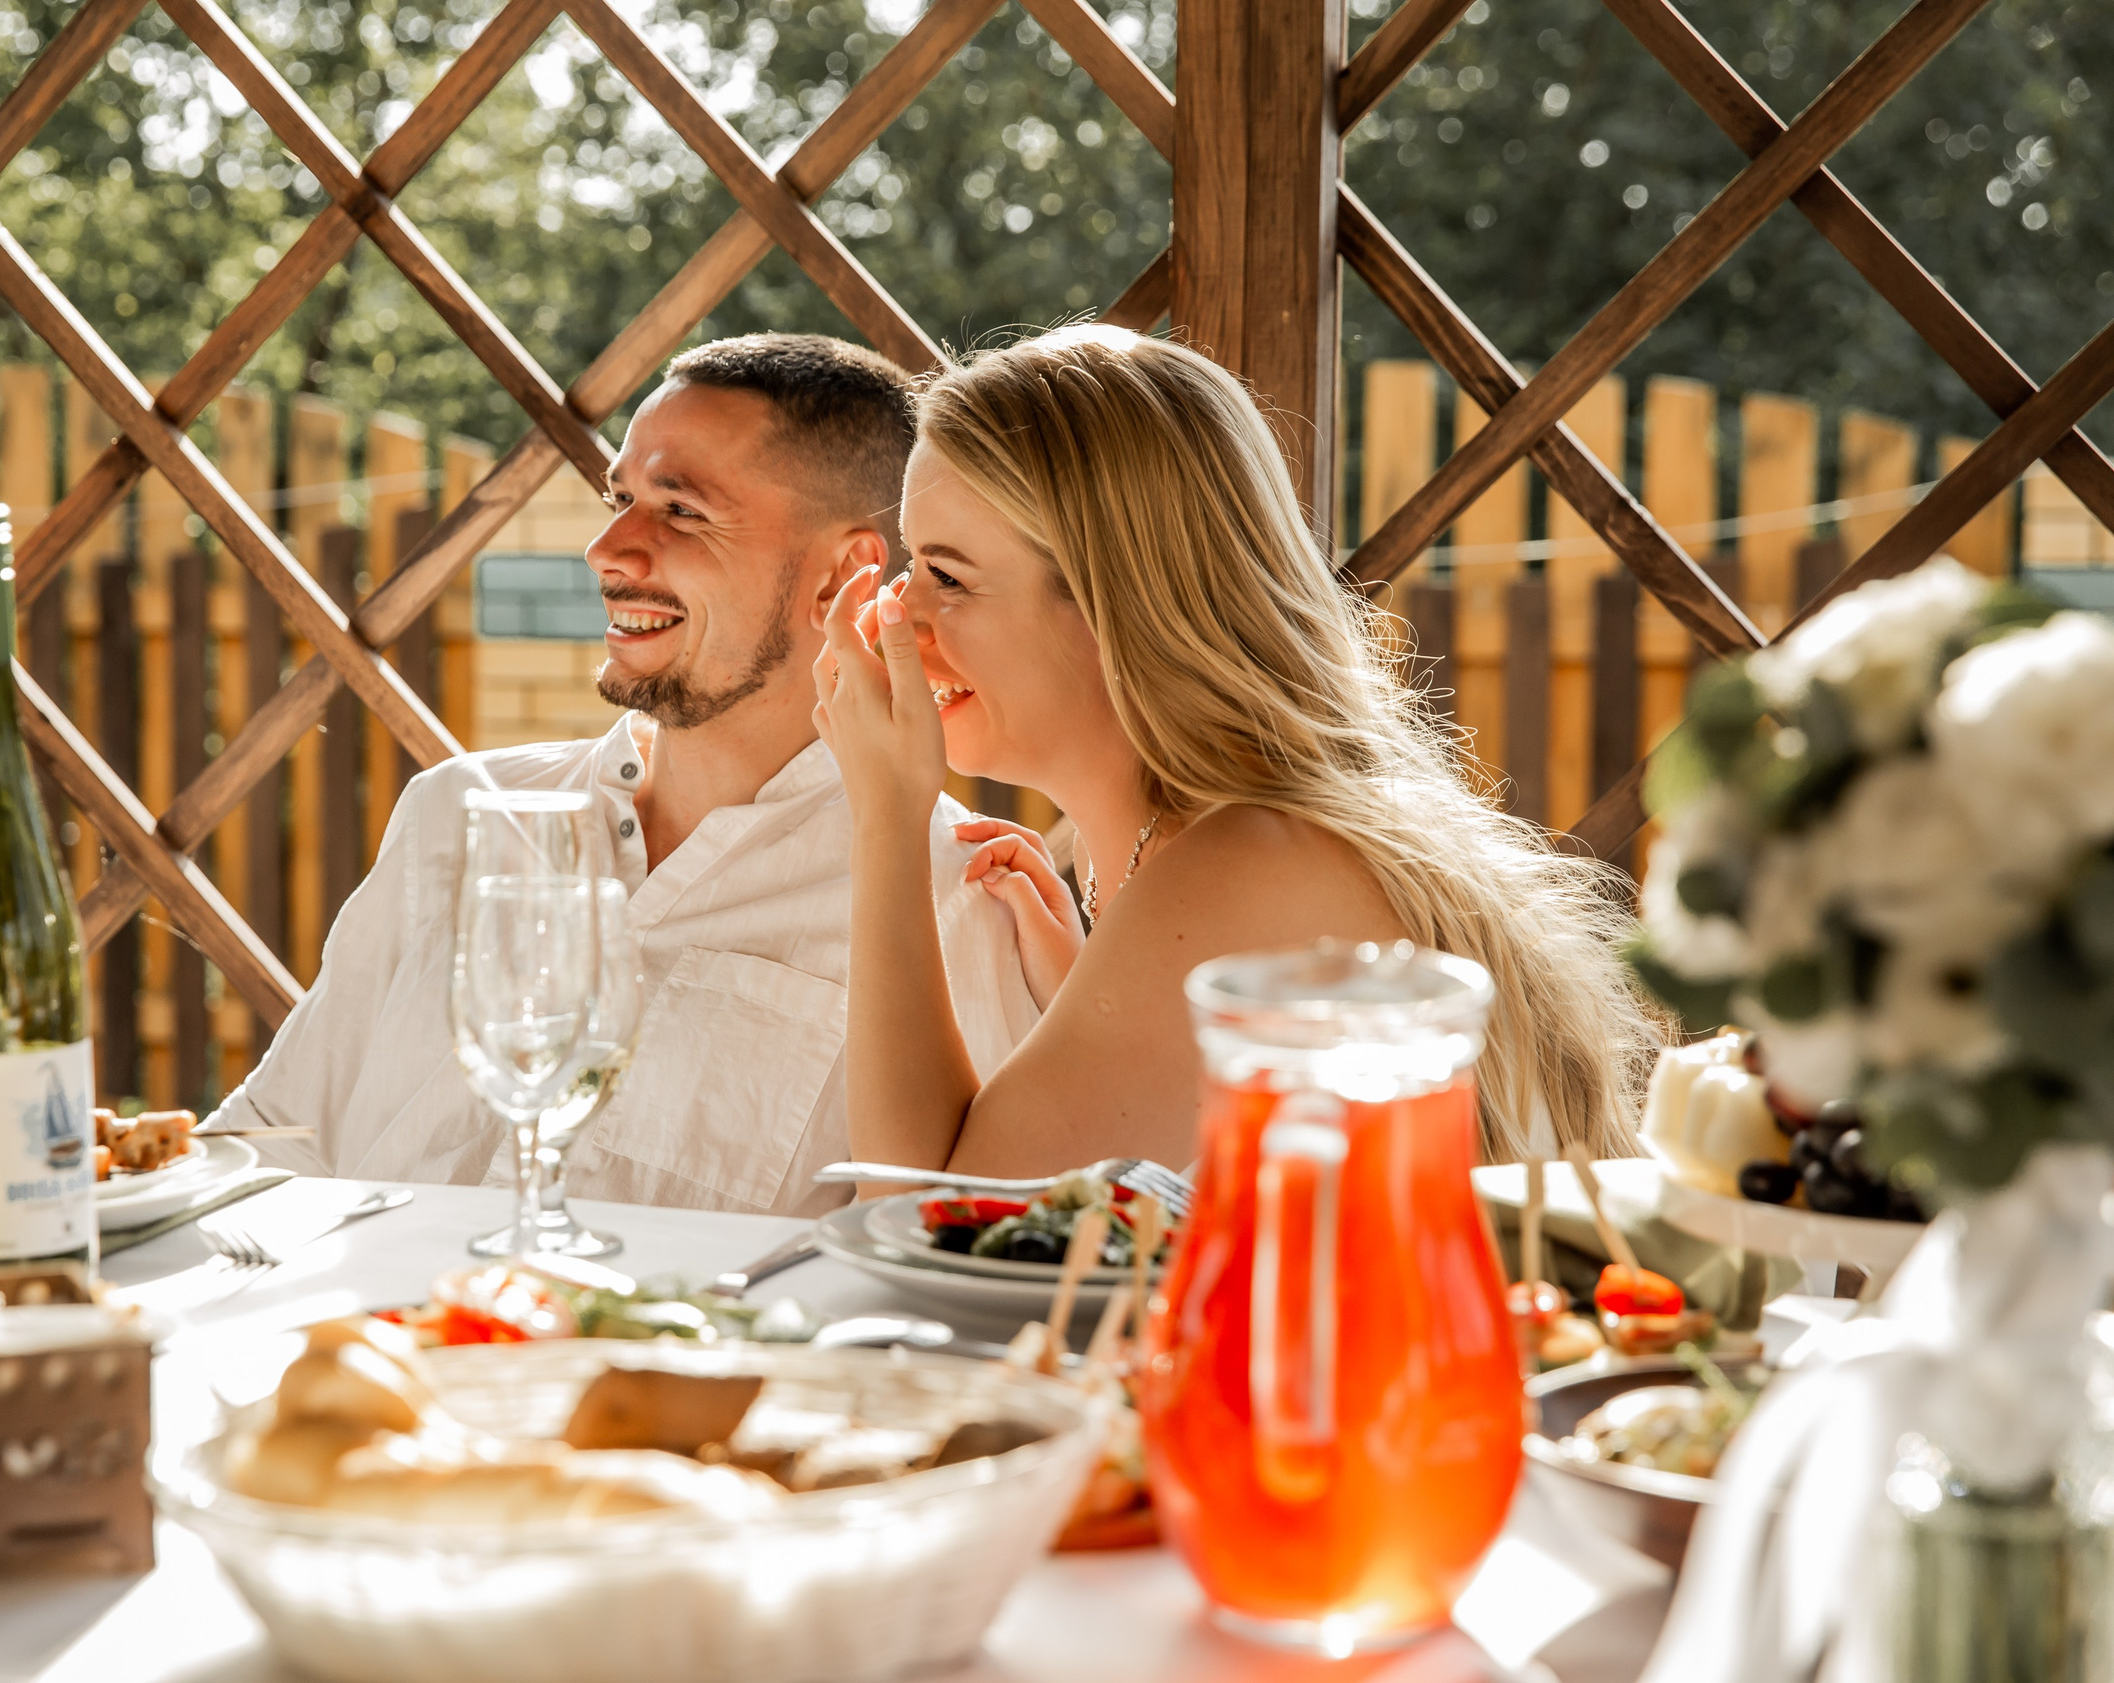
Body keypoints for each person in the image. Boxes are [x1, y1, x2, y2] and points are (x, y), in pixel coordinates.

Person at [211, 333, 1034, 1214]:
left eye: (680, 511)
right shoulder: (457, 811)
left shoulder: (953, 891)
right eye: (620, 499)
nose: (610, 549)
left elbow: (956, 1248)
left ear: (842, 574)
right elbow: (273, 1136)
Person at [812, 325, 1656, 1177]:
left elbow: (922, 1207)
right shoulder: (1233, 840)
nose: (894, 614)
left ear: (1119, 607)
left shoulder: (1244, 860)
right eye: (911, 563)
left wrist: (885, 812)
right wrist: (1091, 989)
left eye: (947, 576)